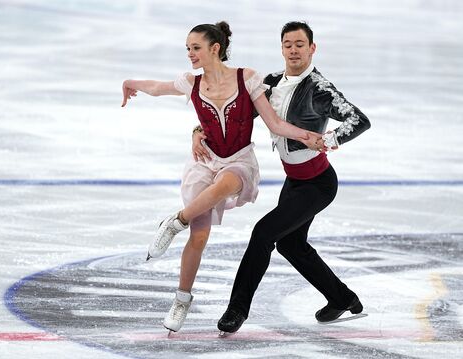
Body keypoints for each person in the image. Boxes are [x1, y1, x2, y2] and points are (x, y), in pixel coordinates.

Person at [121, 21, 324, 333]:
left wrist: (306, 135)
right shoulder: (192, 83)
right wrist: (129, 82)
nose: (190, 54)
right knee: (199, 235)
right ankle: (181, 299)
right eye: (188, 49)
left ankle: (175, 221)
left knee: (228, 182)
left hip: (239, 161)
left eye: (196, 48)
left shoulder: (247, 78)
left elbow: (274, 123)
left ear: (215, 49)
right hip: (205, 161)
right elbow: (157, 88)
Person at [192, 21, 371, 334]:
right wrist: (198, 131)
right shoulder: (271, 82)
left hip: (317, 183)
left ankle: (237, 310)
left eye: (300, 44)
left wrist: (329, 140)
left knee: (263, 233)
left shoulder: (320, 88)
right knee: (291, 244)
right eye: (288, 44)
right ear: (281, 48)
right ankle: (343, 298)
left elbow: (359, 120)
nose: (293, 50)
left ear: (312, 48)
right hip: (295, 181)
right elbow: (235, 114)